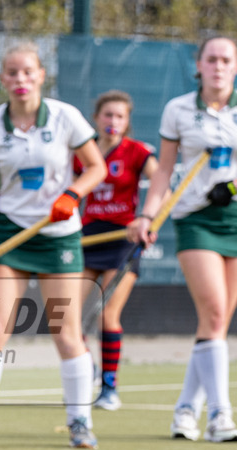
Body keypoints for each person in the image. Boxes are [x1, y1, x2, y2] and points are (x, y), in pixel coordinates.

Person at [0, 42, 107, 450]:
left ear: (40, 75)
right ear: (3, 80)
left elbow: (96, 167)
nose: (20, 80)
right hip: (9, 234)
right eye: (12, 73)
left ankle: (80, 422)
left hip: (59, 238)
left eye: (27, 72)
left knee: (65, 331)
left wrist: (72, 194)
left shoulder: (66, 117)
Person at [130, 36, 237, 443]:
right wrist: (149, 214)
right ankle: (220, 416)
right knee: (214, 312)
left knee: (217, 322)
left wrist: (235, 186)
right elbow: (163, 171)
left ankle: (183, 410)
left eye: (225, 59)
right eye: (210, 59)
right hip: (195, 218)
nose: (217, 66)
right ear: (199, 64)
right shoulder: (178, 109)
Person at [75, 90, 162, 411]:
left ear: (127, 122)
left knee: (106, 313)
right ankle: (87, 371)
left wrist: (147, 219)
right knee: (67, 317)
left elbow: (161, 181)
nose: (113, 122)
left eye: (120, 117)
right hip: (86, 238)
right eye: (108, 115)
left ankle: (109, 388)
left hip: (123, 239)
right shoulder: (83, 152)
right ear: (96, 117)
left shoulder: (137, 152)